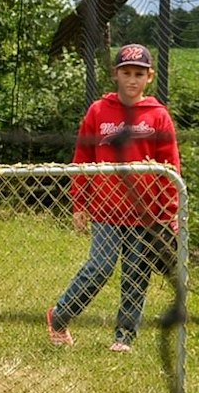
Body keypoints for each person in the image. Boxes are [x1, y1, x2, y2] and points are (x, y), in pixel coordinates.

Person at [46, 43, 182, 352]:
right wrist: (80, 203)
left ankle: (124, 338)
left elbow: (171, 166)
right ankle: (60, 316)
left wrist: (169, 212)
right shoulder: (99, 111)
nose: (132, 80)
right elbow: (82, 158)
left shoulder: (158, 117)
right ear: (115, 75)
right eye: (126, 73)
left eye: (139, 74)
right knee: (101, 266)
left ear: (149, 77)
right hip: (106, 209)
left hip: (146, 213)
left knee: (137, 272)